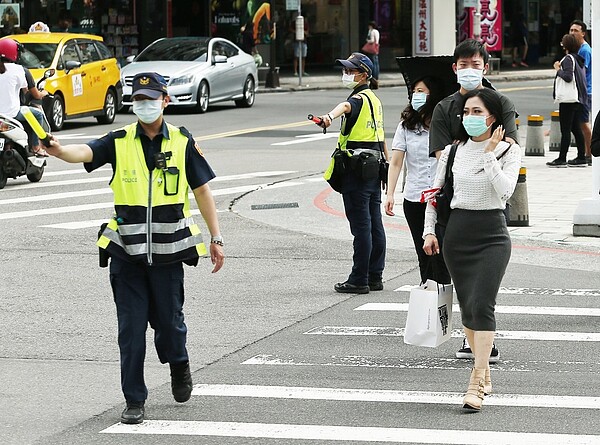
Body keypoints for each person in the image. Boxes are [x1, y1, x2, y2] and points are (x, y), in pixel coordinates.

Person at [45, 72, 225, 425]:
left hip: (169, 251)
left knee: (169, 324)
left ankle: (179, 363)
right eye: (138, 99)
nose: (144, 104)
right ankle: (134, 398)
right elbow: (85, 151)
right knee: (130, 329)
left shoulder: (182, 142)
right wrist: (58, 150)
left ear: (165, 101)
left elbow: (202, 189)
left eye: (151, 98)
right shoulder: (120, 139)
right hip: (125, 252)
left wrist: (216, 238)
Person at [423, 88, 521, 411]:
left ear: (493, 117)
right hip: (458, 237)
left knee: (482, 304)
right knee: (467, 310)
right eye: (466, 113)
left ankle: (477, 380)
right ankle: (485, 369)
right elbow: (436, 195)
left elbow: (505, 192)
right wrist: (428, 231)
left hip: (492, 235)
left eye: (477, 113)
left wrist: (490, 154)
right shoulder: (453, 152)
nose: (470, 119)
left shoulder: (509, 151)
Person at [429, 38, 519, 363]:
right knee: (457, 286)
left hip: (490, 208)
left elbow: (507, 146)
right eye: (463, 64)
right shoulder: (443, 108)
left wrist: (482, 156)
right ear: (455, 69)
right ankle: (471, 334)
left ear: (485, 66)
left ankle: (481, 360)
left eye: (475, 64)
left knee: (483, 297)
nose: (469, 70)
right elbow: (443, 160)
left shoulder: (501, 103)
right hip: (453, 207)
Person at [313, 52, 388, 294]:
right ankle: (374, 275)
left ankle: (359, 279)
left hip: (356, 171)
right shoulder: (375, 100)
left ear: (364, 74)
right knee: (374, 222)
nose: (346, 73)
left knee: (362, 226)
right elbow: (382, 137)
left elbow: (345, 107)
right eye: (345, 69)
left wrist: (328, 117)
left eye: (350, 70)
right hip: (374, 168)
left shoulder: (357, 98)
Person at [385, 76, 450, 284]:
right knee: (423, 255)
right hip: (414, 199)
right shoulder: (406, 126)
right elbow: (395, 163)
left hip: (440, 199)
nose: (417, 96)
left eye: (422, 92)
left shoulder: (444, 125)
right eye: (415, 91)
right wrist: (390, 194)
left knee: (440, 256)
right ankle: (429, 300)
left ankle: (442, 302)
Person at [0, 38, 46, 157]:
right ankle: (36, 147)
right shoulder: (19, 70)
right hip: (12, 114)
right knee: (38, 115)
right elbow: (32, 93)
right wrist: (43, 93)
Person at [546, 34, 587, 168]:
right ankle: (581, 157)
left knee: (566, 129)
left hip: (568, 100)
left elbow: (568, 77)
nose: (561, 44)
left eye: (563, 42)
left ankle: (562, 158)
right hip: (577, 99)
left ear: (566, 45)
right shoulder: (577, 58)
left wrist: (558, 69)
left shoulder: (568, 59)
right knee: (575, 128)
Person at [569, 20, 592, 165]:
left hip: (585, 91)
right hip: (581, 91)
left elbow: (582, 71)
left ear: (583, 33)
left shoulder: (584, 50)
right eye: (571, 30)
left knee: (583, 123)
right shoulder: (578, 49)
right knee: (580, 122)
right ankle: (585, 152)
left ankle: (589, 154)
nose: (572, 33)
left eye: (576, 30)